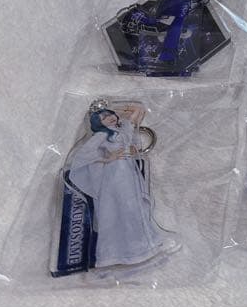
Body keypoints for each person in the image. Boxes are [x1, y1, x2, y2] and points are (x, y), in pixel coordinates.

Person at [64, 103, 172, 269]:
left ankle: (142, 244)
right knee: (121, 208)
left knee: (134, 206)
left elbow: (138, 110)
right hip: (115, 174)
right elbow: (83, 155)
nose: (110, 118)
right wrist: (108, 158)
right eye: (104, 118)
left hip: (128, 171)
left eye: (110, 115)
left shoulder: (122, 130)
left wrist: (114, 107)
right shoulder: (102, 135)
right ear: (98, 123)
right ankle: (117, 252)